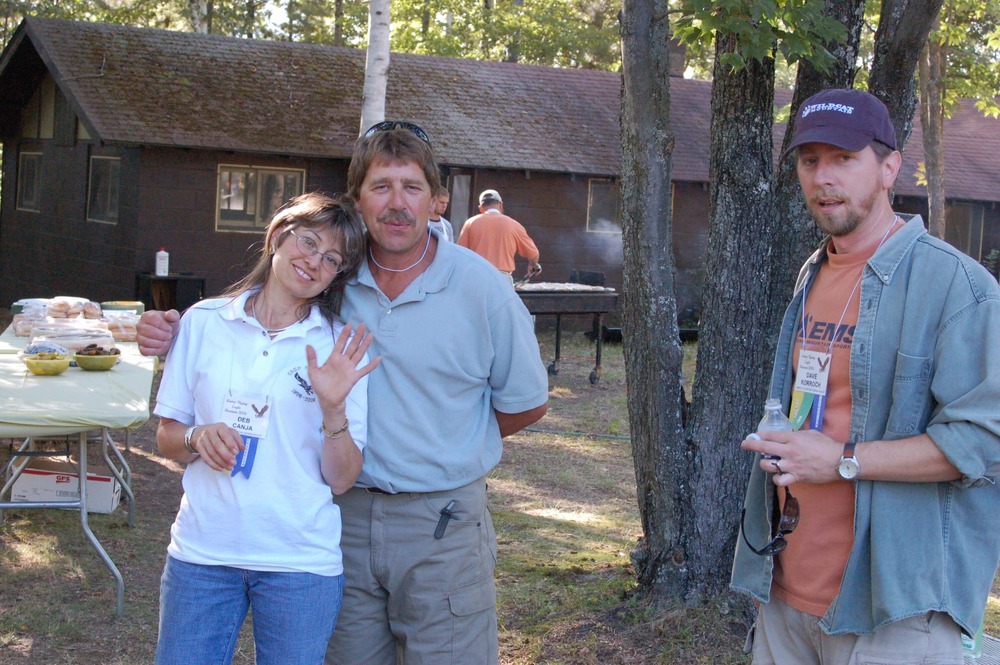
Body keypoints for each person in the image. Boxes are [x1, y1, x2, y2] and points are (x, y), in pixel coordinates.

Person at [137, 120, 550, 665]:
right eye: (381, 187)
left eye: (412, 187)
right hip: (342, 519)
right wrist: (173, 330)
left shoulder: (483, 288)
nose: (397, 203)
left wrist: (449, 442)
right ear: (359, 200)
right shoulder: (336, 279)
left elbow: (526, 404)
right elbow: (260, 315)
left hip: (442, 522)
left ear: (437, 201)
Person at [732, 88, 1000, 664]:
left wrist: (842, 460)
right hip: (784, 595)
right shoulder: (813, 272)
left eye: (844, 159)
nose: (823, 177)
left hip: (894, 610)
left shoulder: (958, 287)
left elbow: (981, 443)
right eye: (810, 160)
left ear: (889, 168)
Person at [151, 192, 380, 665]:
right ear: (278, 235)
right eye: (309, 242)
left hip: (299, 563)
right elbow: (167, 436)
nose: (314, 261)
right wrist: (197, 437)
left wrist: (333, 409)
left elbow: (341, 479)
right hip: (203, 554)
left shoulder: (339, 347)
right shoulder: (203, 322)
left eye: (331, 259)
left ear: (336, 276)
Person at [458, 188, 541, 284]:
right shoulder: (513, 225)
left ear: (480, 208)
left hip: (476, 277)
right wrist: (533, 264)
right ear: (501, 205)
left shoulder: (470, 223)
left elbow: (460, 253)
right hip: (502, 279)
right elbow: (533, 253)